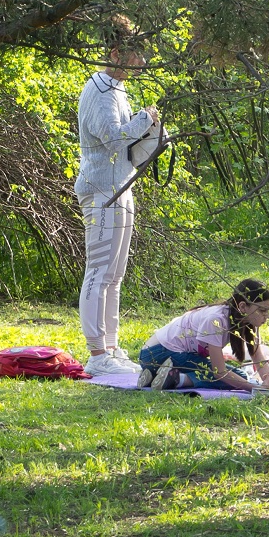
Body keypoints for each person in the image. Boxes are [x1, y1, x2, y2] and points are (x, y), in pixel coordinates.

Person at [74, 20, 160, 377]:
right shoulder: (100, 90)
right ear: (115, 53)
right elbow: (112, 138)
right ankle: (96, 353)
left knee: (115, 274)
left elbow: (125, 143)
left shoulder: (117, 88)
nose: (141, 63)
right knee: (98, 270)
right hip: (101, 192)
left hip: (121, 187)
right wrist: (145, 119)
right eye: (136, 54)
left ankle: (110, 347)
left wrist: (151, 130)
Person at [136, 278, 269, 391]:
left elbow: (263, 368)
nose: (267, 316)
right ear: (243, 306)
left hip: (156, 355)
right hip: (158, 352)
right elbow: (220, 372)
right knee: (237, 377)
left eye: (268, 311)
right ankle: (177, 379)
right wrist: (256, 389)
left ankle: (158, 375)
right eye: (263, 310)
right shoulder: (217, 321)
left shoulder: (248, 324)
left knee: (236, 376)